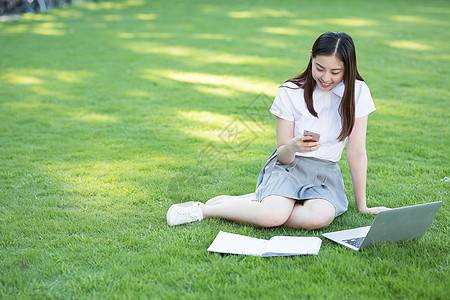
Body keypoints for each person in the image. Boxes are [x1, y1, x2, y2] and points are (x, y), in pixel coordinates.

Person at [166, 31, 389, 229]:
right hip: (288, 167)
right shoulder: (290, 91)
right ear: (311, 56)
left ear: (348, 68)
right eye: (319, 68)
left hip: (325, 174)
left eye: (335, 72)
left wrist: (363, 207)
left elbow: (356, 152)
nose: (326, 78)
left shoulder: (358, 92)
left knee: (317, 219)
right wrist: (292, 145)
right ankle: (205, 210)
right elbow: (283, 155)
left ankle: (256, 204)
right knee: (272, 216)